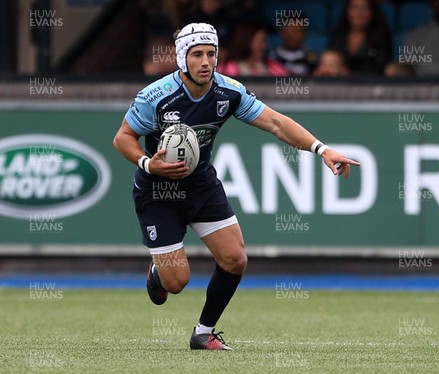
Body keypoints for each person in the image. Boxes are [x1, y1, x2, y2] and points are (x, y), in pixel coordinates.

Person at [113, 23, 359, 351]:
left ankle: (204, 332)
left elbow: (275, 122)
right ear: (182, 59)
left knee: (235, 259)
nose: (205, 61)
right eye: (197, 54)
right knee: (176, 283)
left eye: (211, 54)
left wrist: (322, 149)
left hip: (200, 185)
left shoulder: (228, 91)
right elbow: (123, 138)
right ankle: (159, 273)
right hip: (158, 192)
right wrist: (148, 162)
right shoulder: (155, 96)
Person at [328, 0, 392, 75]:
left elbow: (381, 68)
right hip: (338, 83)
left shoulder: (381, 37)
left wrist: (349, 74)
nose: (359, 13)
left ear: (372, 12)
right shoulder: (338, 36)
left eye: (364, 8)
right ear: (347, 12)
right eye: (354, 8)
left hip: (371, 83)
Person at [217, 22, 289, 76]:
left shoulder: (274, 67)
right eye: (261, 41)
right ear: (246, 41)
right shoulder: (225, 68)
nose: (264, 46)